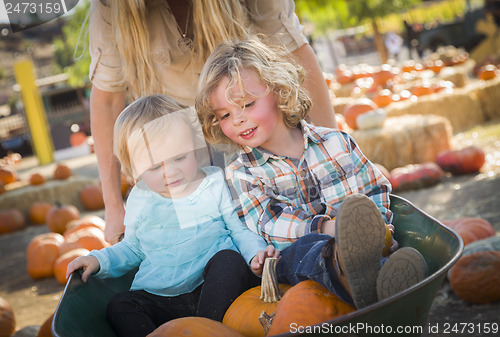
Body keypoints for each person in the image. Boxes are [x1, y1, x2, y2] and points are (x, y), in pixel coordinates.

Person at [195, 37, 428, 309]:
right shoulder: (241, 173)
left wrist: (381, 231)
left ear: (279, 91)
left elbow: (374, 189)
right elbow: (271, 226)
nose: (237, 119)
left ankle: (385, 279)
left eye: (246, 105)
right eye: (224, 115)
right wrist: (330, 228)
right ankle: (357, 284)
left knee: (390, 254)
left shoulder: (336, 143)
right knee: (306, 250)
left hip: (362, 253)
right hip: (297, 275)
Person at [88, 0, 337, 244]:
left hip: (246, 121)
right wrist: (113, 206)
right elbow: (108, 100)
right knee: (204, 240)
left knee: (270, 219)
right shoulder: (111, 6)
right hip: (180, 140)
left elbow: (293, 51)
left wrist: (328, 150)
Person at [66, 94, 279, 337]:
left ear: (195, 147)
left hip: (212, 291)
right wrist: (99, 260)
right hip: (161, 299)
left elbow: (238, 229)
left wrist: (256, 253)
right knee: (120, 306)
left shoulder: (214, 183)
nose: (171, 172)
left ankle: (206, 331)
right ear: (133, 170)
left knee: (229, 261)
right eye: (155, 167)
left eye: (180, 157)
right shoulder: (141, 198)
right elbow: (133, 248)